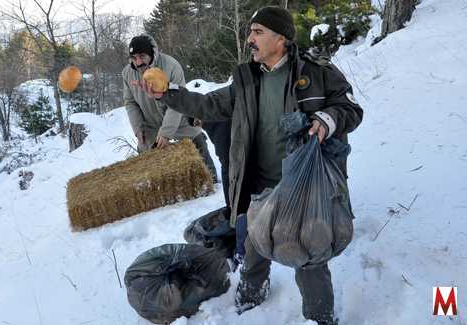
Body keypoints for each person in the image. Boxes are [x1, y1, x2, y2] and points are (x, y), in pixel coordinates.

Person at [132, 6, 363, 325]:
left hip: (303, 186)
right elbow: (208, 105)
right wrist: (167, 95)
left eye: (258, 32)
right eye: (249, 32)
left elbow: (351, 109)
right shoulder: (246, 79)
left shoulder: (318, 72)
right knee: (253, 243)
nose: (250, 39)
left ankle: (319, 317)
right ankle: (251, 294)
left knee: (308, 255)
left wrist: (327, 120)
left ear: (280, 38)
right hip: (259, 183)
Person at [122, 34, 217, 180]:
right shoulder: (127, 73)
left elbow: (177, 101)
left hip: (179, 118)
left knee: (196, 139)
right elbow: (130, 102)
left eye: (142, 56)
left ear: (152, 53)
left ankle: (211, 178)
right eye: (134, 58)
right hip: (151, 123)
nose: (138, 62)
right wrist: (138, 127)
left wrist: (166, 132)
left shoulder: (171, 66)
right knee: (145, 155)